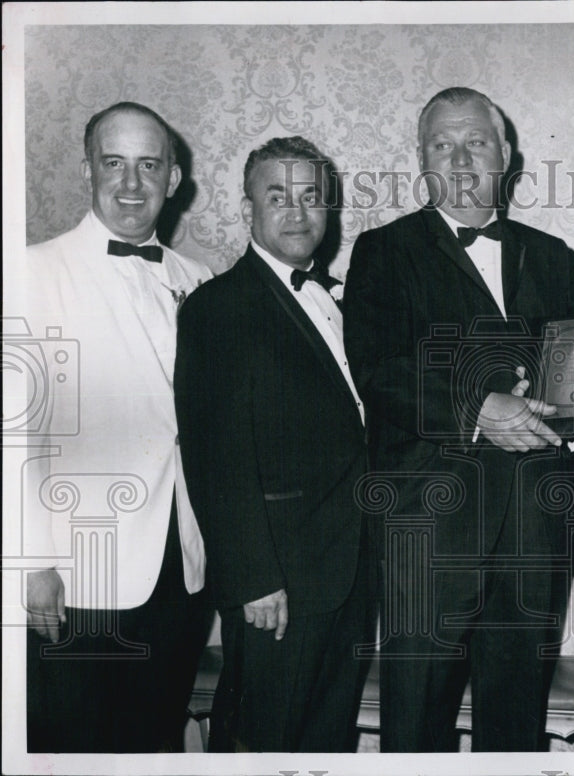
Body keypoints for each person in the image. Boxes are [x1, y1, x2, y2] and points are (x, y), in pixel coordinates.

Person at [343, 87, 574, 752]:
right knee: (416, 729)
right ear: (421, 160)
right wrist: (479, 409)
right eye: (441, 145)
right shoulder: (382, 252)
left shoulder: (555, 257)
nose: (459, 158)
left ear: (505, 155)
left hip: (534, 532)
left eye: (475, 142)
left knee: (516, 731)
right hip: (427, 534)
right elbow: (381, 371)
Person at [18, 101, 213, 752]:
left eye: (148, 165)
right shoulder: (32, 271)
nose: (131, 185)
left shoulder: (199, 280)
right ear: (87, 171)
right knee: (70, 748)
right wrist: (33, 560)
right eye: (114, 163)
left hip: (178, 569)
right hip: (78, 570)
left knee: (152, 746)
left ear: (173, 179)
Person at [174, 136, 375, 752]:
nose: (297, 212)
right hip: (278, 584)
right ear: (248, 210)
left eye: (311, 197)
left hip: (347, 569)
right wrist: (255, 578)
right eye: (278, 196)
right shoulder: (220, 305)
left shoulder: (340, 298)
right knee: (268, 742)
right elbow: (214, 453)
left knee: (326, 740)